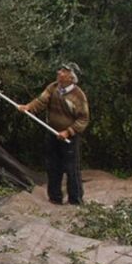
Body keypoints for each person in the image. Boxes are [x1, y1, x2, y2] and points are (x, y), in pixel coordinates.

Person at [18, 62, 90, 205]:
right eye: (60, 70)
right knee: (52, 165)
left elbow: (83, 118)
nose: (59, 72)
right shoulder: (53, 87)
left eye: (64, 71)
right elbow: (41, 101)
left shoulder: (78, 96)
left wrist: (68, 132)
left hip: (69, 137)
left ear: (71, 77)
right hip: (52, 133)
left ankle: (75, 200)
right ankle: (55, 197)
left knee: (71, 169)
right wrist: (28, 108)